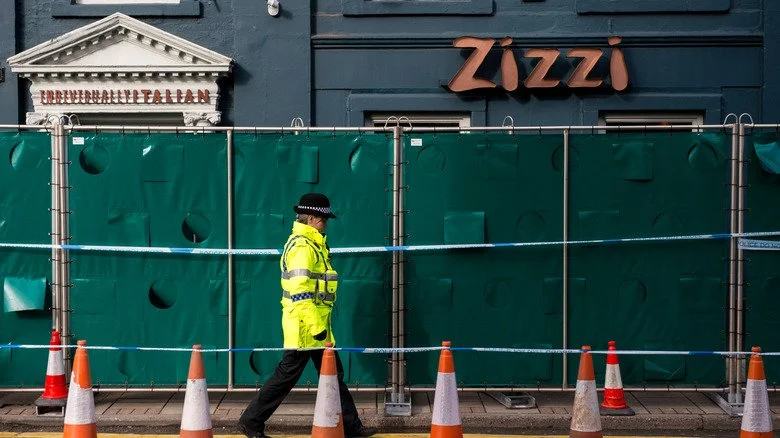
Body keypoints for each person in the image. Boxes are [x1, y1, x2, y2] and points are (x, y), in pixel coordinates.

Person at [239, 193, 378, 438]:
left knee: (333, 376)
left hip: (314, 326)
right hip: (306, 328)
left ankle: (351, 425)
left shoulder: (313, 243)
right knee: (287, 376)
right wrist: (317, 329)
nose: (327, 223)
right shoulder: (303, 247)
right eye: (324, 219)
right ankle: (250, 421)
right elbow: (300, 293)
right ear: (312, 218)